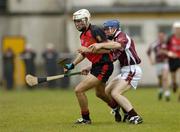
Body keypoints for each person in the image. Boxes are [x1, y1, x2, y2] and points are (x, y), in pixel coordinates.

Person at [64, 9, 121, 124]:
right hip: (96, 66)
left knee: (79, 90)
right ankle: (116, 107)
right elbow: (85, 53)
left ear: (87, 20)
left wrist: (87, 49)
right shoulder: (82, 35)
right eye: (76, 21)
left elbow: (108, 50)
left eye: (80, 21)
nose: (78, 24)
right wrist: (72, 65)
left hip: (104, 66)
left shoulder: (96, 30)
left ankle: (86, 119)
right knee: (99, 93)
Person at [80, 20, 143, 124]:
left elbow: (118, 45)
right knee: (107, 91)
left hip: (132, 69)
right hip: (124, 70)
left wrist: (99, 45)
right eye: (105, 29)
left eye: (109, 29)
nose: (107, 31)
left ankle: (135, 116)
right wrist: (90, 67)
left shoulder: (121, 36)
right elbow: (110, 58)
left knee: (115, 93)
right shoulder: (112, 41)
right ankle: (124, 111)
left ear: (116, 28)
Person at [147, 32, 170, 101]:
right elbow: (148, 52)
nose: (161, 38)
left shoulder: (167, 44)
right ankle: (160, 91)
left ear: (164, 37)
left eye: (162, 36)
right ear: (158, 37)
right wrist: (151, 60)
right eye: (160, 36)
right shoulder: (154, 44)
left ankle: (167, 94)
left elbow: (171, 52)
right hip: (158, 63)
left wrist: (165, 52)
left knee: (165, 78)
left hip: (165, 62)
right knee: (160, 79)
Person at [165, 22, 180, 101]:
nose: (178, 30)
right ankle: (174, 84)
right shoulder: (170, 38)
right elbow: (165, 49)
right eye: (176, 29)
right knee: (173, 77)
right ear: (174, 29)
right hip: (173, 59)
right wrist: (170, 53)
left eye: (179, 29)